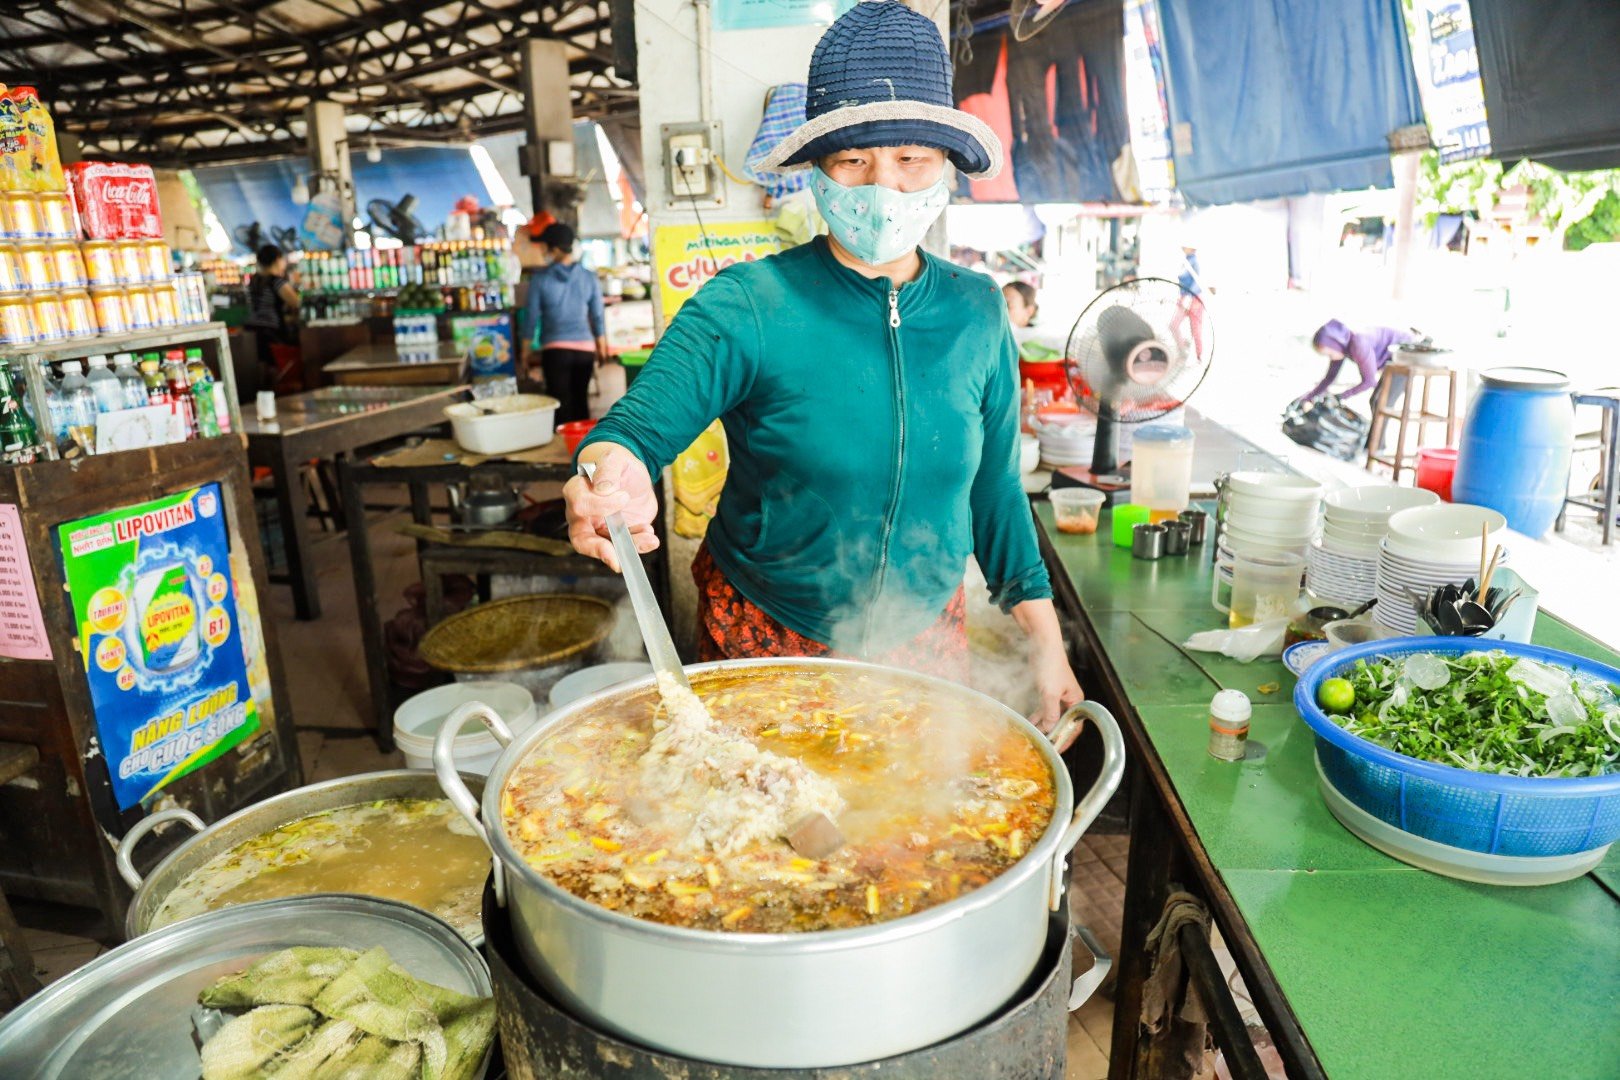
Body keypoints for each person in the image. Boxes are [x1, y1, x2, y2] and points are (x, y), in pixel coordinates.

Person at [562, 0, 1084, 742]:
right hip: (765, 633)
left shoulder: (977, 311)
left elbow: (995, 489)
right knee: (754, 841)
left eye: (912, 159)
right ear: (816, 172)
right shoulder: (748, 303)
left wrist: (1046, 640)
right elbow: (634, 430)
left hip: (925, 641)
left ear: (946, 170)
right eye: (853, 160)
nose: (883, 186)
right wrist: (608, 475)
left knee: (916, 839)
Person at [520, 222, 608, 423]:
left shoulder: (540, 279)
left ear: (556, 249)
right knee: (580, 402)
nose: (542, 250)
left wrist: (525, 352)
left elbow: (531, 318)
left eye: (545, 246)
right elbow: (597, 315)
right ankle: (583, 450)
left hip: (555, 351)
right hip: (585, 350)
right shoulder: (589, 277)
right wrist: (601, 345)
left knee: (560, 405)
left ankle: (563, 451)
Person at [1298, 319, 1418, 405]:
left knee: (1380, 402)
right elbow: (1329, 378)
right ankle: (1376, 441)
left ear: (1335, 344)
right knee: (1377, 402)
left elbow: (1369, 382)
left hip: (1407, 354)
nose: (1331, 358)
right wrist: (1308, 397)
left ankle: (1377, 441)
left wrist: (1340, 397)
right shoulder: (1342, 348)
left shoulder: (1358, 344)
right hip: (1393, 359)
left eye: (1329, 354)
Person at [244, 244, 300, 387]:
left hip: (252, 331)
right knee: (276, 367)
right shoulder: (276, 281)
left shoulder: (254, 280)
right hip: (271, 331)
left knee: (262, 367)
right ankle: (276, 398)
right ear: (277, 259)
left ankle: (264, 397)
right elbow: (296, 302)